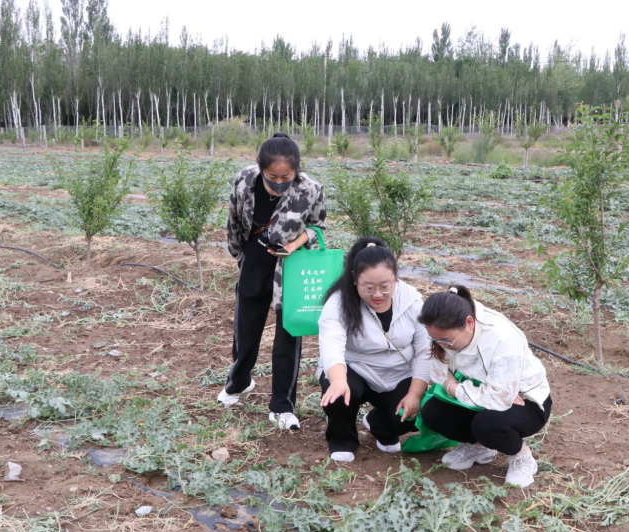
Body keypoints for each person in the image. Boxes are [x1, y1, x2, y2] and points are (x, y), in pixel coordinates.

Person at [217, 132, 326, 431]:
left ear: (297, 171)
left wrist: (295, 244)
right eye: (272, 177)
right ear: (260, 167)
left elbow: (317, 226)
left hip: (290, 268)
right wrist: (238, 254)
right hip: (254, 262)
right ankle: (239, 382)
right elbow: (234, 219)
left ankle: (282, 406)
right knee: (245, 330)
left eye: (286, 178)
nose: (279, 183)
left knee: (288, 337)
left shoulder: (310, 189)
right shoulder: (244, 181)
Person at [416, 286, 552, 487]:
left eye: (447, 341)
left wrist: (454, 386)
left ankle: (521, 455)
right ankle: (479, 447)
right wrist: (460, 386)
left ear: (469, 323)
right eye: (435, 339)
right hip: (478, 392)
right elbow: (438, 371)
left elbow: (500, 398)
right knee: (433, 412)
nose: (441, 345)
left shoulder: (501, 338)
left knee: (488, 424)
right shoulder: (442, 330)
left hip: (526, 401)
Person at [318, 238, 431, 462]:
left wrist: (415, 394)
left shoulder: (412, 300)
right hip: (356, 368)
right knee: (339, 391)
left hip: (399, 372)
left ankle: (380, 425)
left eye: (385, 287)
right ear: (354, 278)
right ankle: (342, 440)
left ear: (395, 276)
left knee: (413, 412)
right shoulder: (338, 303)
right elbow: (331, 344)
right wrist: (338, 380)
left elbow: (425, 351)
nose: (377, 294)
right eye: (369, 288)